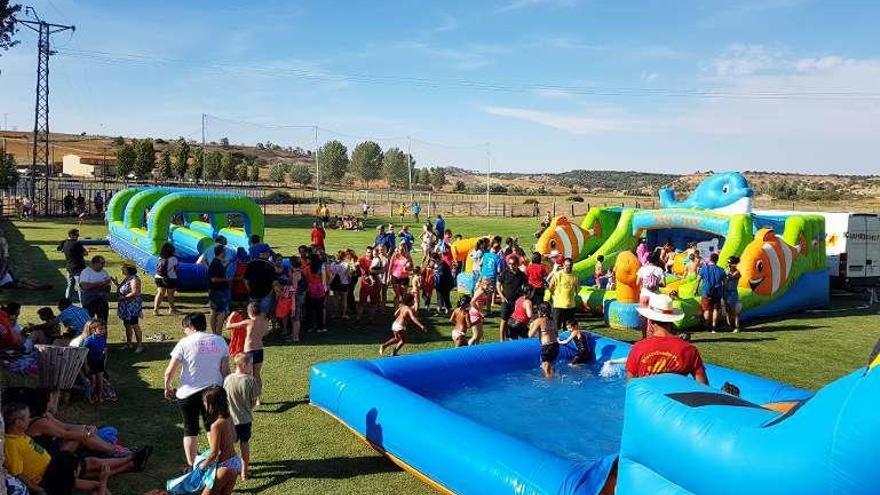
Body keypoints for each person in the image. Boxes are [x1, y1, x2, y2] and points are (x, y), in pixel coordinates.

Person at [4, 402, 149, 495]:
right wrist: (39, 490)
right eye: (27, 418)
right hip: (49, 478)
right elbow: (18, 473)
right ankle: (130, 458)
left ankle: (130, 461)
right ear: (18, 423)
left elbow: (64, 427)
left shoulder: (19, 435)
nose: (30, 420)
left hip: (54, 469)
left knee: (93, 474)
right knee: (91, 466)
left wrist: (84, 431)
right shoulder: (12, 444)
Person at [164, 313, 229, 468]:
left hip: (188, 392)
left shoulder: (184, 343)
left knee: (190, 429)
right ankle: (216, 458)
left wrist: (167, 386)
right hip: (214, 392)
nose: (184, 332)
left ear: (190, 326)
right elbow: (225, 370)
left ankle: (192, 464)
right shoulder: (220, 341)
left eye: (184, 328)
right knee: (212, 426)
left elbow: (170, 371)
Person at [627, 293, 708, 384]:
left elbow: (630, 386)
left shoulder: (638, 348)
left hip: (648, 397)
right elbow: (704, 386)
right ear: (671, 320)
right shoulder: (689, 349)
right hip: (675, 397)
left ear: (649, 321)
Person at [223, 353, 259, 481]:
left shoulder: (227, 379)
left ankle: (228, 469)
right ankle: (244, 472)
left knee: (229, 445)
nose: (252, 366)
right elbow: (254, 401)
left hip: (230, 420)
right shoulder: (250, 380)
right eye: (250, 364)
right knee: (244, 444)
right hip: (245, 419)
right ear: (244, 365)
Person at [199, 387, 241, 494]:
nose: (204, 405)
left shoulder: (216, 425)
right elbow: (235, 437)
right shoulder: (229, 417)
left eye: (204, 402)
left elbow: (214, 453)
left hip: (225, 466)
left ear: (211, 404)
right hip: (235, 462)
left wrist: (202, 467)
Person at [226, 302, 267, 399]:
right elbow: (265, 333)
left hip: (249, 352)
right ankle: (258, 399)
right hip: (260, 350)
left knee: (246, 375)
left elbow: (229, 326)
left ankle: (247, 396)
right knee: (257, 375)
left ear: (250, 312)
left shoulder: (249, 322)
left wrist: (231, 316)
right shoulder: (264, 321)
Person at [114, 264, 143, 353]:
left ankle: (139, 345)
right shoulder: (127, 277)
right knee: (127, 324)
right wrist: (116, 284)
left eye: (124, 268)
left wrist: (123, 298)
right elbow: (124, 289)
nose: (122, 269)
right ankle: (129, 343)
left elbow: (135, 292)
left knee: (134, 324)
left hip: (132, 306)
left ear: (129, 269)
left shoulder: (134, 279)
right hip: (125, 306)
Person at [496, 255, 526, 341]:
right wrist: (501, 295)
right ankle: (502, 340)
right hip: (506, 301)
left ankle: (512, 338)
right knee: (504, 320)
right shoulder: (505, 273)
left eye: (513, 264)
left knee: (514, 321)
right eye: (509, 264)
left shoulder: (521, 275)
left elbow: (525, 287)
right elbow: (498, 283)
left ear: (517, 264)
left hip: (516, 302)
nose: (511, 266)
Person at [244, 243, 277, 315]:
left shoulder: (250, 264)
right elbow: (274, 282)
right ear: (264, 253)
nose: (269, 255)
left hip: (253, 294)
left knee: (253, 315)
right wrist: (271, 292)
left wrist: (250, 290)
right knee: (263, 315)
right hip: (266, 294)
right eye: (268, 253)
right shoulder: (270, 265)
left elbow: (246, 280)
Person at [81, 318, 109, 403]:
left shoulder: (102, 338)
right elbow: (84, 354)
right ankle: (91, 396)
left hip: (99, 362)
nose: (103, 331)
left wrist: (104, 361)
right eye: (100, 329)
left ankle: (100, 396)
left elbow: (104, 350)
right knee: (93, 381)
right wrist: (86, 366)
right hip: (91, 363)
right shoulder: (88, 340)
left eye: (104, 329)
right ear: (93, 330)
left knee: (100, 380)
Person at [697, 252, 727, 333]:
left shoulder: (704, 268)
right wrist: (724, 291)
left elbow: (698, 280)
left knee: (706, 310)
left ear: (710, 259)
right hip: (717, 292)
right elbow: (725, 282)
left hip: (706, 291)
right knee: (715, 310)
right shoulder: (721, 270)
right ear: (717, 260)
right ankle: (714, 327)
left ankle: (707, 326)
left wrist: (696, 290)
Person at [528, 303, 559, 378]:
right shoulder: (552, 320)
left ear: (540, 311)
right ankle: (554, 379)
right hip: (555, 346)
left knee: (546, 369)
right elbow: (556, 334)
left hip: (547, 346)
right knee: (549, 366)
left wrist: (531, 325)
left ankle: (549, 386)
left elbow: (530, 335)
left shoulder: (539, 321)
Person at [548, 257, 578, 329]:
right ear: (563, 265)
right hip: (558, 305)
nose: (569, 267)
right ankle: (555, 340)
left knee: (569, 328)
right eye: (567, 265)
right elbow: (551, 287)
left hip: (570, 306)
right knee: (556, 327)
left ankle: (567, 340)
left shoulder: (575, 276)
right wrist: (554, 296)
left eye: (570, 265)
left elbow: (577, 289)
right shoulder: (558, 275)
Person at [79, 256, 112, 322]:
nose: (103, 265)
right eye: (101, 263)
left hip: (102, 300)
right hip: (89, 301)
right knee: (88, 321)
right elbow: (84, 286)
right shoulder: (86, 272)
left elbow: (108, 283)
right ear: (94, 263)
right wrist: (101, 283)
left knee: (103, 321)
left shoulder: (104, 272)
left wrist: (105, 287)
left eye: (104, 263)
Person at [303, 252, 329, 333]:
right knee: (320, 310)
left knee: (310, 310)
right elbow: (326, 278)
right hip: (320, 290)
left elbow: (305, 279)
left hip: (310, 290)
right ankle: (320, 327)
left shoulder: (307, 269)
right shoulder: (321, 268)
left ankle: (310, 326)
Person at [208, 245, 231, 335]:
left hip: (214, 290)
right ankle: (218, 333)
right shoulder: (216, 264)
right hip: (219, 291)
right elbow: (214, 279)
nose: (225, 253)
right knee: (222, 312)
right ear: (221, 252)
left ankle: (214, 333)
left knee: (214, 311)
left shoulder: (216, 262)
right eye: (224, 252)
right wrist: (227, 279)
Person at [60, 228, 87, 303]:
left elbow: (61, 249)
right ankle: (83, 305)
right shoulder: (77, 244)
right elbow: (85, 253)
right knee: (81, 288)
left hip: (69, 268)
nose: (78, 236)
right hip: (78, 268)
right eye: (76, 235)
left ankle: (66, 303)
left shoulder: (64, 242)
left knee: (70, 287)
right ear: (72, 235)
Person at [154, 242, 180, 315]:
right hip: (170, 278)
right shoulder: (174, 259)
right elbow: (176, 269)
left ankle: (155, 310)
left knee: (160, 293)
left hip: (158, 277)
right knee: (170, 294)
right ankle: (171, 309)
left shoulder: (160, 257)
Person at [356, 247, 379, 324]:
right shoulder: (362, 260)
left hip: (375, 285)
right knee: (362, 302)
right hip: (365, 285)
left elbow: (380, 270)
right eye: (368, 252)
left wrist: (375, 271)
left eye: (371, 252)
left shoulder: (376, 259)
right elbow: (364, 272)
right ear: (366, 252)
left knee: (374, 302)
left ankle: (371, 319)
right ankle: (358, 318)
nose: (370, 254)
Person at [388, 244, 412, 309]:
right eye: (400, 249)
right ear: (398, 249)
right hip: (395, 277)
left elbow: (412, 268)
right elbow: (390, 267)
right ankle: (396, 310)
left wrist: (408, 268)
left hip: (404, 278)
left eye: (403, 249)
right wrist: (388, 277)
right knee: (396, 295)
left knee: (403, 295)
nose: (402, 251)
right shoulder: (394, 256)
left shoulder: (408, 257)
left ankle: (403, 310)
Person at [469, 278, 491, 345]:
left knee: (480, 335)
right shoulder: (480, 291)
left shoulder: (484, 290)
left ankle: (476, 349)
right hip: (475, 314)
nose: (488, 286)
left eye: (489, 284)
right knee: (475, 336)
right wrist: (480, 311)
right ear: (482, 284)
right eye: (487, 284)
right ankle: (467, 350)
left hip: (478, 313)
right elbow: (472, 302)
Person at [723, 255, 742, 333]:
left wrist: (727, 273)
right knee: (727, 310)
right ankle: (729, 325)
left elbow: (730, 277)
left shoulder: (737, 272)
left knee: (733, 310)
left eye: (729, 263)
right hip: (726, 292)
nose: (728, 264)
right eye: (727, 263)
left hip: (732, 293)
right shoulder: (727, 270)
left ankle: (737, 327)